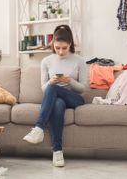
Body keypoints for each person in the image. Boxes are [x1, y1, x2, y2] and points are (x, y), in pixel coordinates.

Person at [23, 24, 86, 167]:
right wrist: (51, 81)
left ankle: (39, 128)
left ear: (70, 44)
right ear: (53, 45)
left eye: (64, 48)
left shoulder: (79, 60)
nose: (61, 51)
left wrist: (70, 80)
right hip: (55, 97)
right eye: (57, 48)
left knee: (53, 89)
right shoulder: (46, 61)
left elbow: (82, 88)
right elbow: (44, 88)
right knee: (56, 101)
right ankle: (57, 152)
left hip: (74, 98)